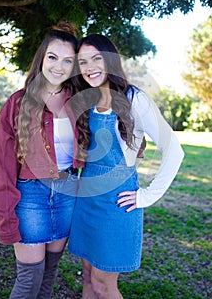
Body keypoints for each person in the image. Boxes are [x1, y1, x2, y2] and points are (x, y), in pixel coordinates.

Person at [68, 34, 185, 299]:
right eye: (83, 62)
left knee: (103, 284)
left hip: (116, 204)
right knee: (87, 278)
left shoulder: (135, 99)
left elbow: (174, 150)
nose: (89, 68)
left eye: (96, 59)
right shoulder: (88, 99)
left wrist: (147, 196)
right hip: (86, 202)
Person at [0, 20, 84, 299]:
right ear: (41, 58)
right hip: (30, 196)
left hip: (68, 193)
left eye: (68, 61)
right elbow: (1, 167)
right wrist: (5, 217)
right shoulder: (17, 103)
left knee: (48, 278)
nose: (59, 66)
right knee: (29, 281)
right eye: (53, 57)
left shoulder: (79, 100)